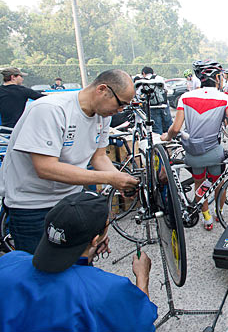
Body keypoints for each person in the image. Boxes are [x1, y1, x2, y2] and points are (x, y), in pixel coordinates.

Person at [0, 69, 140, 254]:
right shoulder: (51, 109)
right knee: (40, 272)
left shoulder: (102, 116)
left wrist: (120, 180)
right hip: (33, 206)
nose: (120, 110)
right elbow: (46, 168)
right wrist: (109, 178)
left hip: (69, 202)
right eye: (120, 103)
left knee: (76, 267)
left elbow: (98, 157)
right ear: (102, 89)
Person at [0, 191, 157, 331]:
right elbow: (141, 323)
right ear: (96, 239)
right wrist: (142, 276)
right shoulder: (106, 290)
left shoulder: (9, 262)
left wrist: (88, 251)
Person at [162, 60, 228, 231]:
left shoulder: (185, 97)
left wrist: (167, 137)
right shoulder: (225, 98)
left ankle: (207, 220)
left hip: (193, 153)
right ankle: (218, 213)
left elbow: (176, 128)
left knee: (199, 183)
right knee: (218, 183)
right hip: (215, 152)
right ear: (216, 77)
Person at [133, 66, 173, 134]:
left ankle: (159, 143)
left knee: (157, 128)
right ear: (152, 72)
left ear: (143, 73)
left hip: (152, 107)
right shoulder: (159, 78)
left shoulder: (143, 81)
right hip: (164, 106)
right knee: (169, 125)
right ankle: (172, 140)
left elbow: (137, 94)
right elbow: (165, 90)